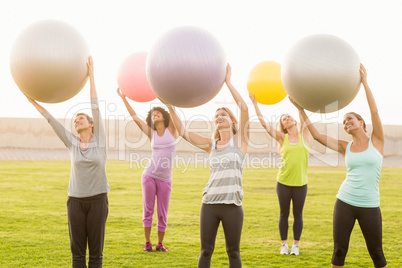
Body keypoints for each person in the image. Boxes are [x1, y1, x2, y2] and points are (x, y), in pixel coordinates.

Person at [291, 64, 387, 268]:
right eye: (344, 122)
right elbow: (317, 136)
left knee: (377, 253)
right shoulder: (346, 147)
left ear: (361, 122)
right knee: (339, 250)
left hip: (370, 205)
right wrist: (300, 110)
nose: (346, 123)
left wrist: (365, 84)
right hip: (345, 201)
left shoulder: (377, 141)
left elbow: (374, 110)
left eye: (350, 119)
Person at [25, 56, 110, 267]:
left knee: (96, 255)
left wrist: (91, 76)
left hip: (98, 201)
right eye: (74, 120)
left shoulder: (100, 140)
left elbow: (95, 106)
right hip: (75, 202)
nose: (76, 121)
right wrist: (32, 101)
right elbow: (51, 120)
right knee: (78, 254)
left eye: (81, 118)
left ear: (91, 124)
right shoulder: (71, 143)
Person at [164, 64, 249, 268]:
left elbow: (244, 108)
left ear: (232, 121)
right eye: (216, 116)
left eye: (224, 115)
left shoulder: (240, 142)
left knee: (233, 253)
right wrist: (170, 107)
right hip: (209, 204)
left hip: (233, 207)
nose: (219, 117)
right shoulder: (211, 145)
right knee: (206, 251)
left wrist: (228, 82)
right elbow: (183, 131)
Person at [117, 89, 178, 252]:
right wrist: (124, 100)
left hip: (165, 179)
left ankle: (160, 243)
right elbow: (135, 117)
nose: (155, 114)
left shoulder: (172, 130)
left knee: (162, 213)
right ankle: (147, 243)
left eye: (158, 113)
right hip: (149, 176)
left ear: (164, 116)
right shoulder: (151, 133)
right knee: (148, 210)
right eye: (153, 114)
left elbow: (173, 110)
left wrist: (164, 98)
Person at [249, 93, 310, 256]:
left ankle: (296, 246)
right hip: (283, 182)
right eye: (284, 119)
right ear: (282, 126)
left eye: (289, 116)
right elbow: (264, 124)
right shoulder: (282, 138)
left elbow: (305, 119)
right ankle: (284, 245)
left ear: (295, 120)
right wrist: (255, 104)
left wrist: (298, 107)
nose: (287, 118)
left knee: (298, 214)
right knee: (284, 213)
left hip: (301, 183)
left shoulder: (305, 135)